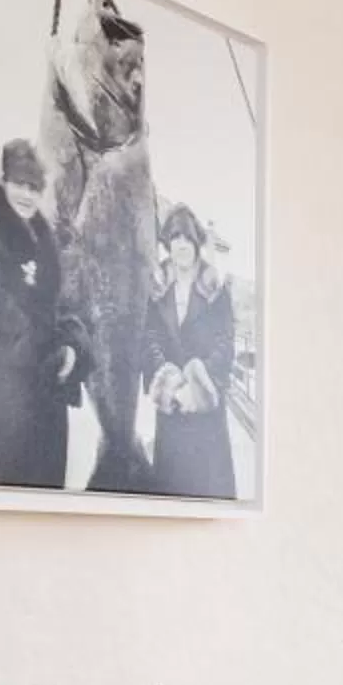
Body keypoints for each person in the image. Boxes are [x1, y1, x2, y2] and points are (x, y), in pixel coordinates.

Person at [0, 140, 77, 488]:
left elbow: (61, 302)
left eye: (35, 187)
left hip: (46, 385)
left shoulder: (44, 234)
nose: (27, 195)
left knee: (41, 487)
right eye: (20, 184)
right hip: (4, 382)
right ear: (3, 180)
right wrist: (44, 350)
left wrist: (72, 344)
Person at [142, 203, 235, 499]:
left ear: (196, 243)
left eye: (186, 238)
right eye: (174, 239)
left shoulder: (215, 288)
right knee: (171, 491)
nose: (180, 246)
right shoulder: (157, 290)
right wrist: (168, 381)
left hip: (205, 409)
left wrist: (197, 385)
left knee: (206, 489)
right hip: (171, 409)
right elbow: (150, 337)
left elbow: (226, 342)